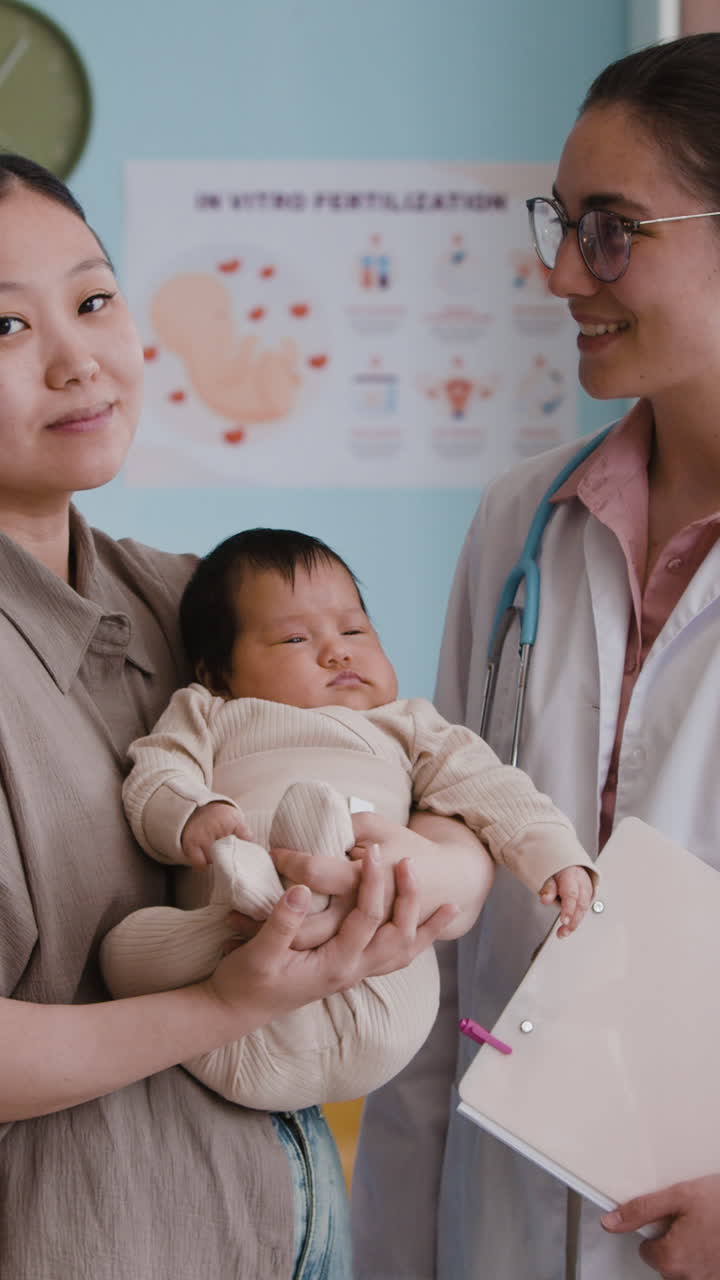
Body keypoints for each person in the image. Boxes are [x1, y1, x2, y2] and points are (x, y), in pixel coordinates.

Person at [0, 149, 497, 1280]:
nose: (78, 360)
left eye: (93, 300)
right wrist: (223, 1001)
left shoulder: (196, 601)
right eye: (5, 326)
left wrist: (429, 867)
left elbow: (414, 756)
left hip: (292, 1234)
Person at [351, 32, 720, 1280]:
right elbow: (448, 955)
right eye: (560, 224)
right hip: (492, 1231)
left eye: (610, 230)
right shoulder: (523, 523)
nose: (562, 273)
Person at [100, 526, 596, 1112]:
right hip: (234, 1017)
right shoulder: (208, 711)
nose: (337, 651)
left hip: (376, 988)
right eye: (294, 638)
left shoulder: (409, 725)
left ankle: (288, 888)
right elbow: (156, 774)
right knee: (119, 954)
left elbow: (493, 787)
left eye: (354, 630)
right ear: (217, 672)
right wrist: (191, 814)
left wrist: (554, 851)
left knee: (333, 843)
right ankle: (251, 913)